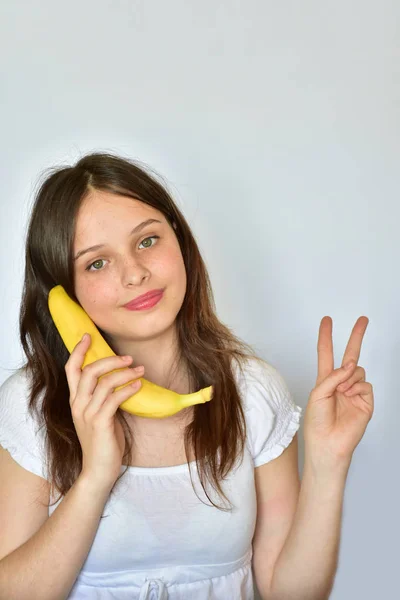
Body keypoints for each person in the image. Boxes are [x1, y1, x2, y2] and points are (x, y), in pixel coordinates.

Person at [0, 152, 373, 600]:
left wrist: (327, 465)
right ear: (65, 292)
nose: (135, 273)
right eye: (96, 263)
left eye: (147, 241)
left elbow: (290, 593)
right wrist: (97, 475)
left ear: (180, 241)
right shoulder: (34, 403)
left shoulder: (253, 391)